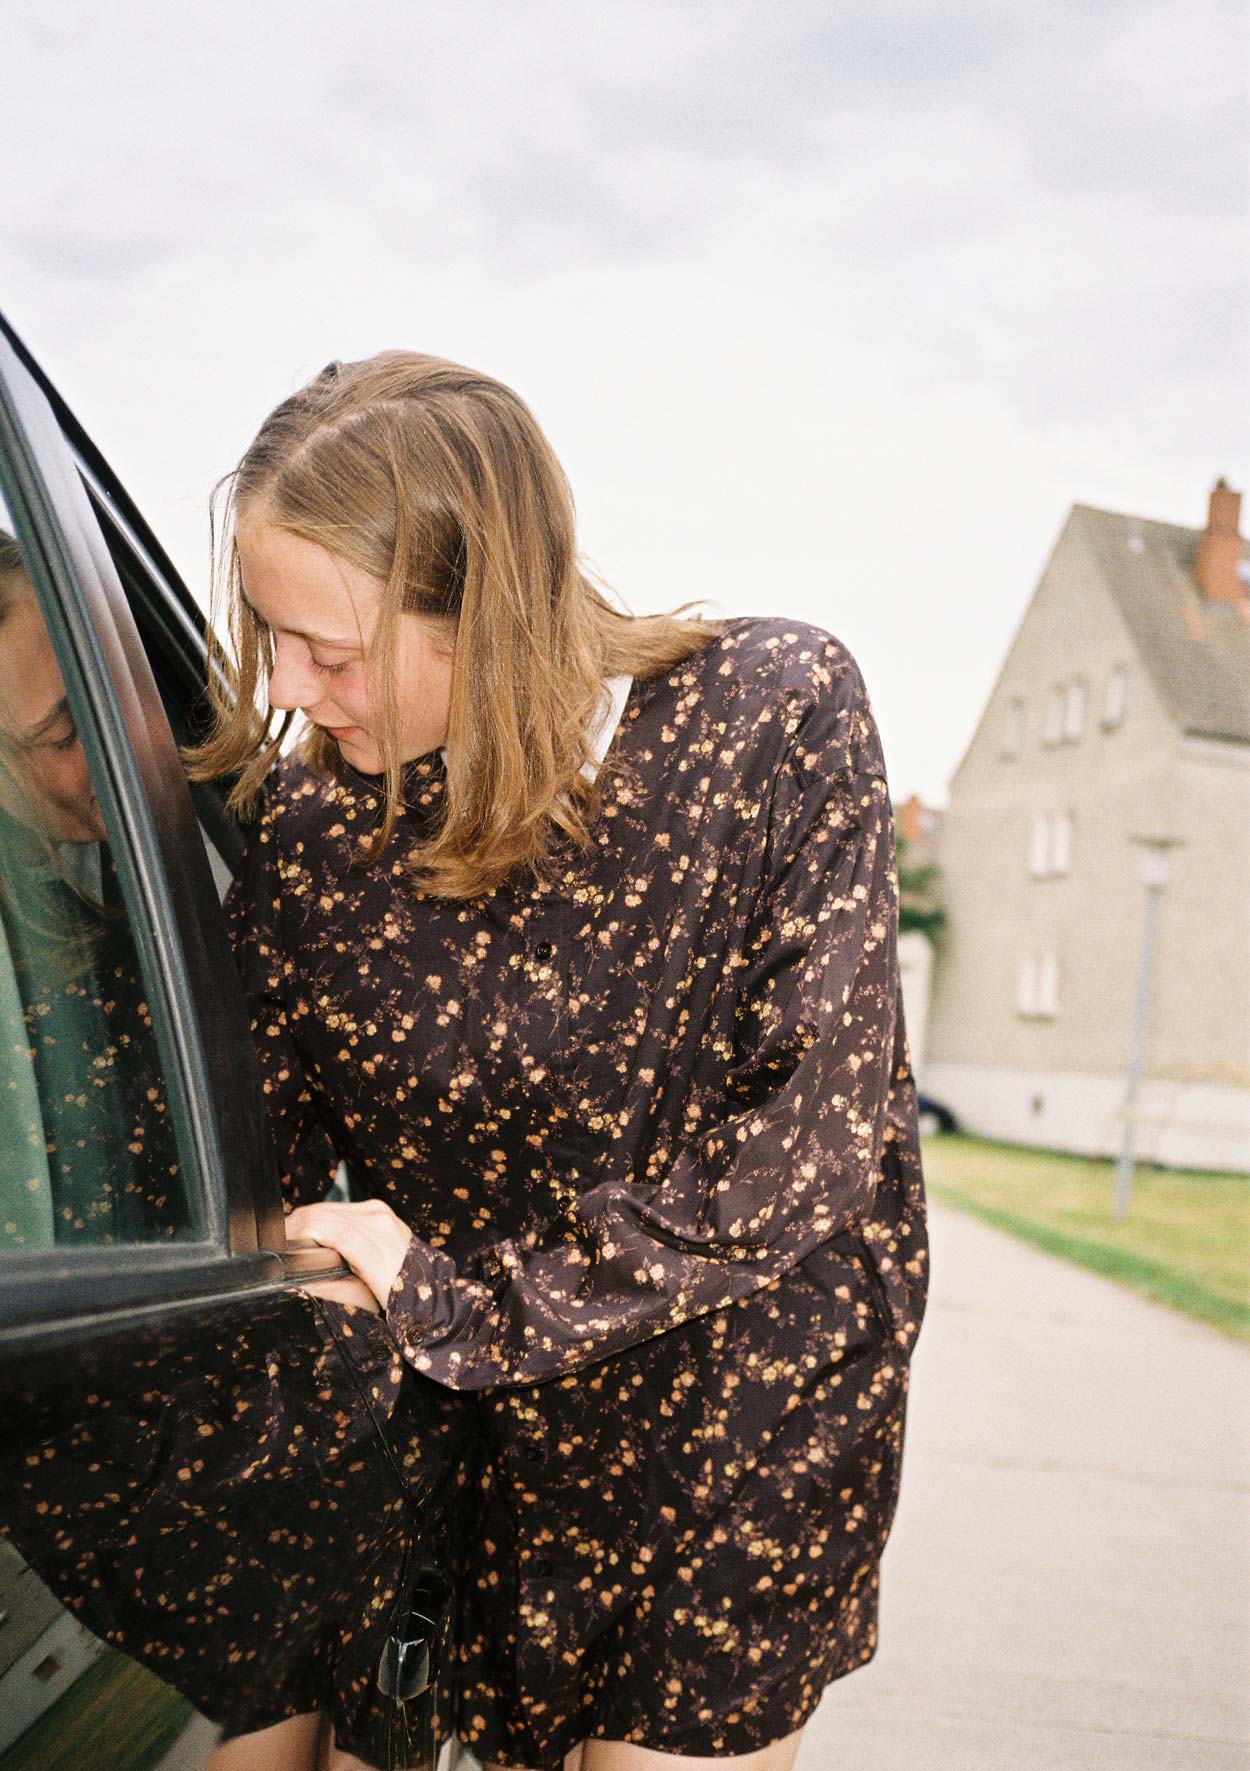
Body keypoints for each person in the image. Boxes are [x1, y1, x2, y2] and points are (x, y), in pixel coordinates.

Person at [190, 352, 929, 1771]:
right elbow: (248, 1159)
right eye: (265, 636)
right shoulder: (311, 828)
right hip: (465, 1446)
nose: (286, 689)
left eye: (328, 654)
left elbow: (812, 1142)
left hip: (732, 1432)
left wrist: (455, 1308)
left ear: (482, 613)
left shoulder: (769, 712)